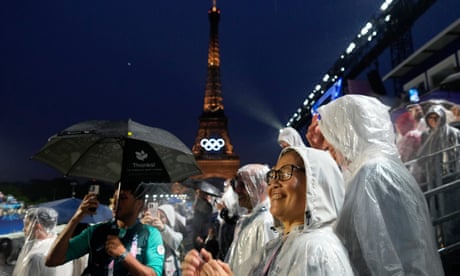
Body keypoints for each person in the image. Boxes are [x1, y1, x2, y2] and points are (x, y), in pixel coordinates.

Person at [307, 94, 444, 275]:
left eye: (331, 134)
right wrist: (319, 154)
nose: (329, 143)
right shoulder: (372, 169)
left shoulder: (372, 174)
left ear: (348, 131)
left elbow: (387, 260)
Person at [182, 147, 354, 275]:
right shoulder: (284, 244)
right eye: (273, 176)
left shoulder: (317, 249)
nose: (273, 184)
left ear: (317, 182)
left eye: (285, 173)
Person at [45, 182, 165, 276]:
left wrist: (123, 254)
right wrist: (77, 217)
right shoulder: (97, 231)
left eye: (123, 198)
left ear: (139, 204)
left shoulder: (151, 234)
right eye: (114, 198)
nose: (116, 203)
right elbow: (53, 260)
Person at [224, 164, 278, 270]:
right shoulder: (252, 220)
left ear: (261, 187)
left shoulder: (265, 222)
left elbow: (265, 268)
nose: (237, 190)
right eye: (237, 185)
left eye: (243, 185)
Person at [12, 207, 73, 276]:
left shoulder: (35, 257)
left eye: (26, 224)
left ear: (37, 227)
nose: (23, 229)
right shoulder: (62, 248)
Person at [142, 203, 184, 276]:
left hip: (170, 271)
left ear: (169, 219)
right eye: (157, 215)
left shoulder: (177, 235)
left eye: (162, 217)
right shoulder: (150, 232)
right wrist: (142, 227)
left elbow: (174, 241)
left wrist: (163, 228)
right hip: (151, 269)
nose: (159, 219)